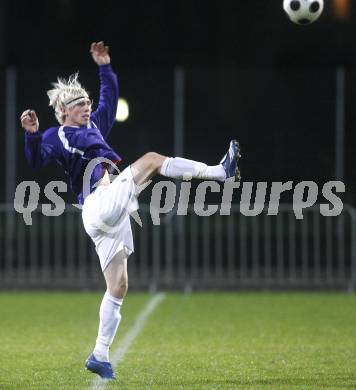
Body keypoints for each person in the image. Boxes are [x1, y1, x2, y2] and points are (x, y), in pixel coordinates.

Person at [20, 41, 241, 380]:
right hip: (97, 203)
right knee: (152, 160)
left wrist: (105, 67)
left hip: (109, 212)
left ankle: (99, 354)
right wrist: (32, 135)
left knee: (119, 285)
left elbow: (109, 97)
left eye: (86, 103)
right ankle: (219, 172)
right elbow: (35, 160)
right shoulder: (58, 134)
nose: (86, 108)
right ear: (63, 111)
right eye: (79, 104)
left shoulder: (93, 126)